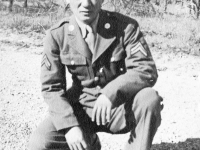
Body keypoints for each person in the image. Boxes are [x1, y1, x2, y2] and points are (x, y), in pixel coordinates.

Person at [29, 0, 163, 150]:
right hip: (81, 109)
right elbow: (51, 88)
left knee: (149, 99)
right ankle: (89, 140)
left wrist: (110, 93)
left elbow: (146, 69)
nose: (86, 4)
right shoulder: (57, 35)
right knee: (39, 143)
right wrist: (69, 126)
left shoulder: (125, 26)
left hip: (119, 107)